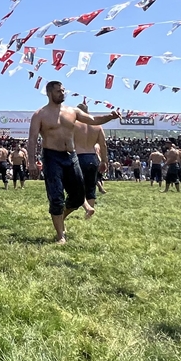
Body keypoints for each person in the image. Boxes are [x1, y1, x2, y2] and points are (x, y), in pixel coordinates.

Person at [26, 82, 120, 243]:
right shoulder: (40, 114)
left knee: (78, 197)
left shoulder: (72, 111)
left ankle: (61, 217)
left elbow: (93, 120)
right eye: (58, 91)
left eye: (63, 90)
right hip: (51, 156)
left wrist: (109, 116)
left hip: (71, 156)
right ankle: (60, 235)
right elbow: (32, 139)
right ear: (49, 93)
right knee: (56, 196)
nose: (62, 93)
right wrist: (32, 162)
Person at [73, 102, 108, 208]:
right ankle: (90, 211)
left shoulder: (74, 124)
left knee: (76, 185)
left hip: (78, 156)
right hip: (92, 157)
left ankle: (80, 207)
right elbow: (103, 145)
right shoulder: (97, 126)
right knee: (91, 186)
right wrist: (104, 161)